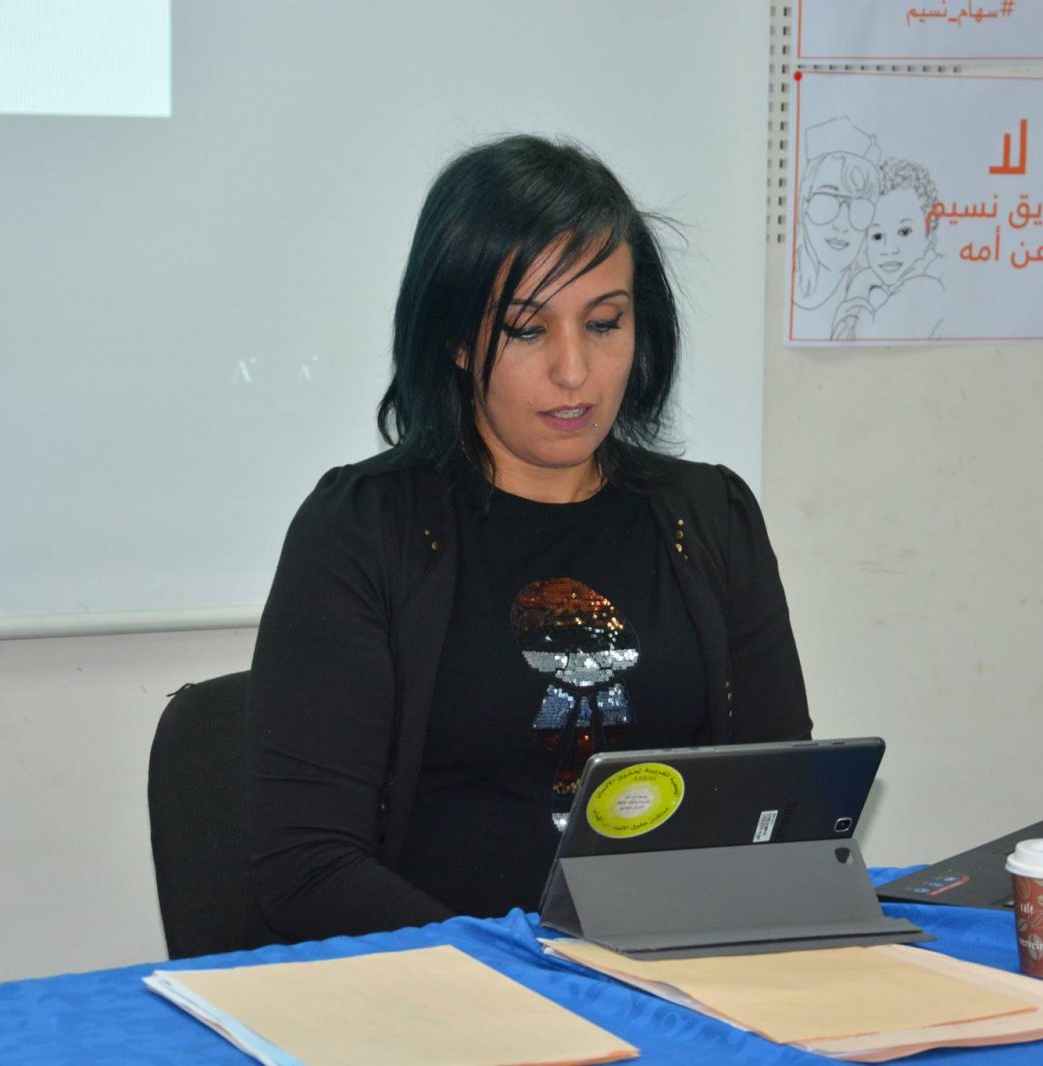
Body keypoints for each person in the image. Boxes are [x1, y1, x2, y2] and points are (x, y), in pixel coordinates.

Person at [246, 134, 812, 943]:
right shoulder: (362, 530)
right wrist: (523, 972)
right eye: (526, 330)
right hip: (452, 980)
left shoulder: (710, 517)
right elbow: (306, 867)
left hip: (670, 970)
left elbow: (782, 809)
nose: (575, 371)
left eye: (605, 323)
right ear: (456, 338)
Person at [832, 158, 947, 341]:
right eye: (877, 236)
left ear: (929, 230)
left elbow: (851, 340)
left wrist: (860, 286)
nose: (889, 249)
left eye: (904, 232)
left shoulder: (929, 286)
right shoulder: (879, 286)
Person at [790, 116, 880, 340]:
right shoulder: (782, 281)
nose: (842, 224)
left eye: (859, 206)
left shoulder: (869, 293)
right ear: (804, 203)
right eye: (827, 199)